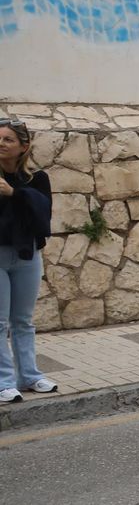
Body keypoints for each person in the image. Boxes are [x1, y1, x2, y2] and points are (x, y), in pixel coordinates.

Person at [0, 118, 55, 403]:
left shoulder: (36, 179)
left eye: (8, 139)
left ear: (23, 146)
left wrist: (14, 194)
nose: (1, 144)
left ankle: (30, 377)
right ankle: (3, 382)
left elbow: (43, 215)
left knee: (23, 320)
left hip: (27, 254)